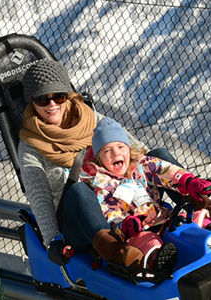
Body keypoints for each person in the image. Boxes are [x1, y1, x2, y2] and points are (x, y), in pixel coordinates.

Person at [16, 59, 146, 264]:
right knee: (79, 190)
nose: (51, 105)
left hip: (118, 204)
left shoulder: (92, 120)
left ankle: (206, 211)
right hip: (76, 222)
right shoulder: (30, 145)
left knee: (158, 156)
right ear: (32, 101)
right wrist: (53, 240)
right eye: (42, 99)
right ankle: (116, 252)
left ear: (67, 96)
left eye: (58, 97)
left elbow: (137, 151)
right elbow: (39, 198)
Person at [81, 117, 211, 271]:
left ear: (129, 150)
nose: (116, 154)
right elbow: (110, 212)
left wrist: (189, 181)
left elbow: (165, 171)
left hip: (164, 219)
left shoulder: (140, 165)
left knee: (187, 219)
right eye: (107, 151)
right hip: (138, 229)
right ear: (100, 160)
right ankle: (156, 260)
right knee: (148, 243)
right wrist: (124, 226)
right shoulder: (103, 183)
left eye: (121, 147)